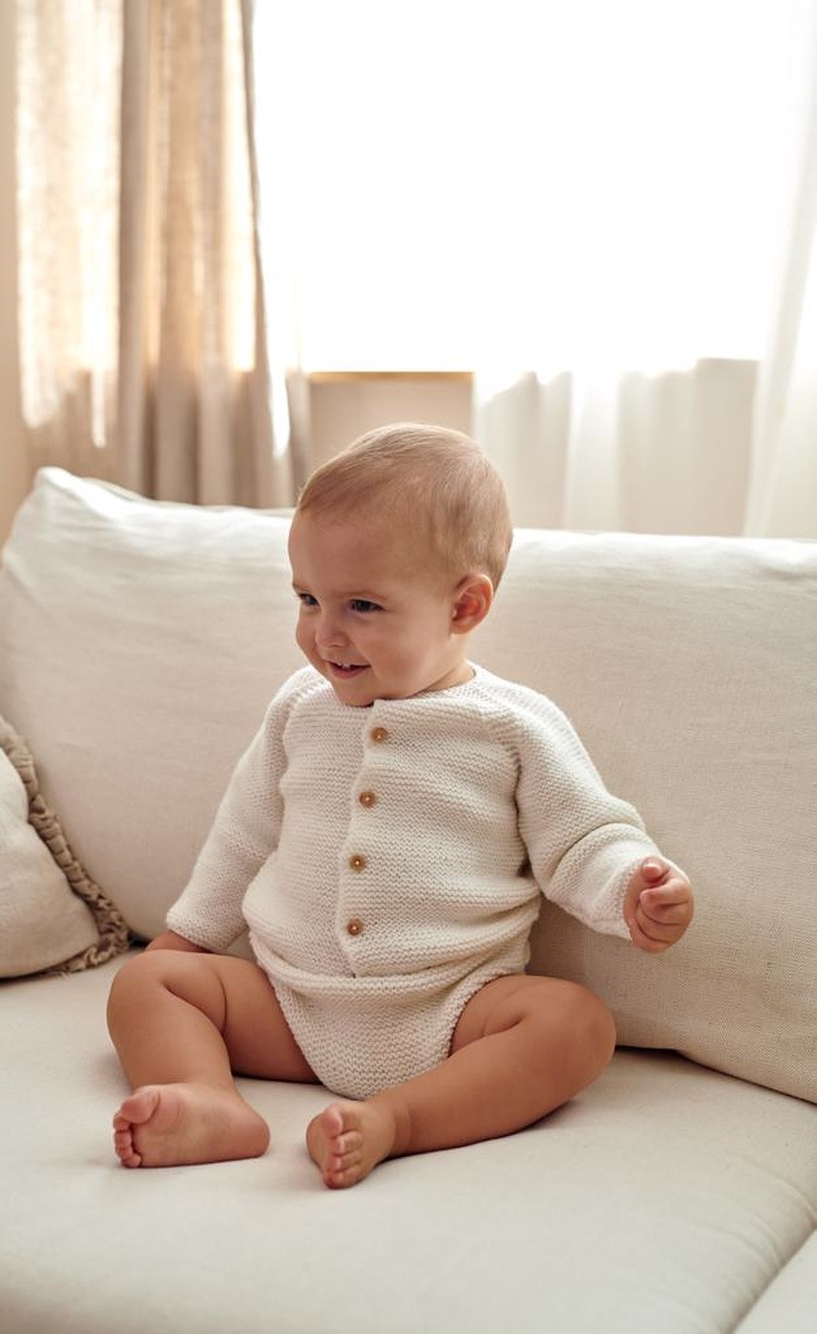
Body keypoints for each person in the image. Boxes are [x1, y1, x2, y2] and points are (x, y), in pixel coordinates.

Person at [107, 423, 694, 1188]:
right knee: (143, 983)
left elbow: (581, 836)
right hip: (290, 1004)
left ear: (465, 606)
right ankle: (206, 1099)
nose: (325, 633)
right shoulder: (299, 709)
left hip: (451, 1011)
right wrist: (188, 938)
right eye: (308, 598)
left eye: (362, 605)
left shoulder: (510, 724)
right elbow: (245, 836)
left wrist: (630, 888)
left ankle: (399, 1120)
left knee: (577, 1025)